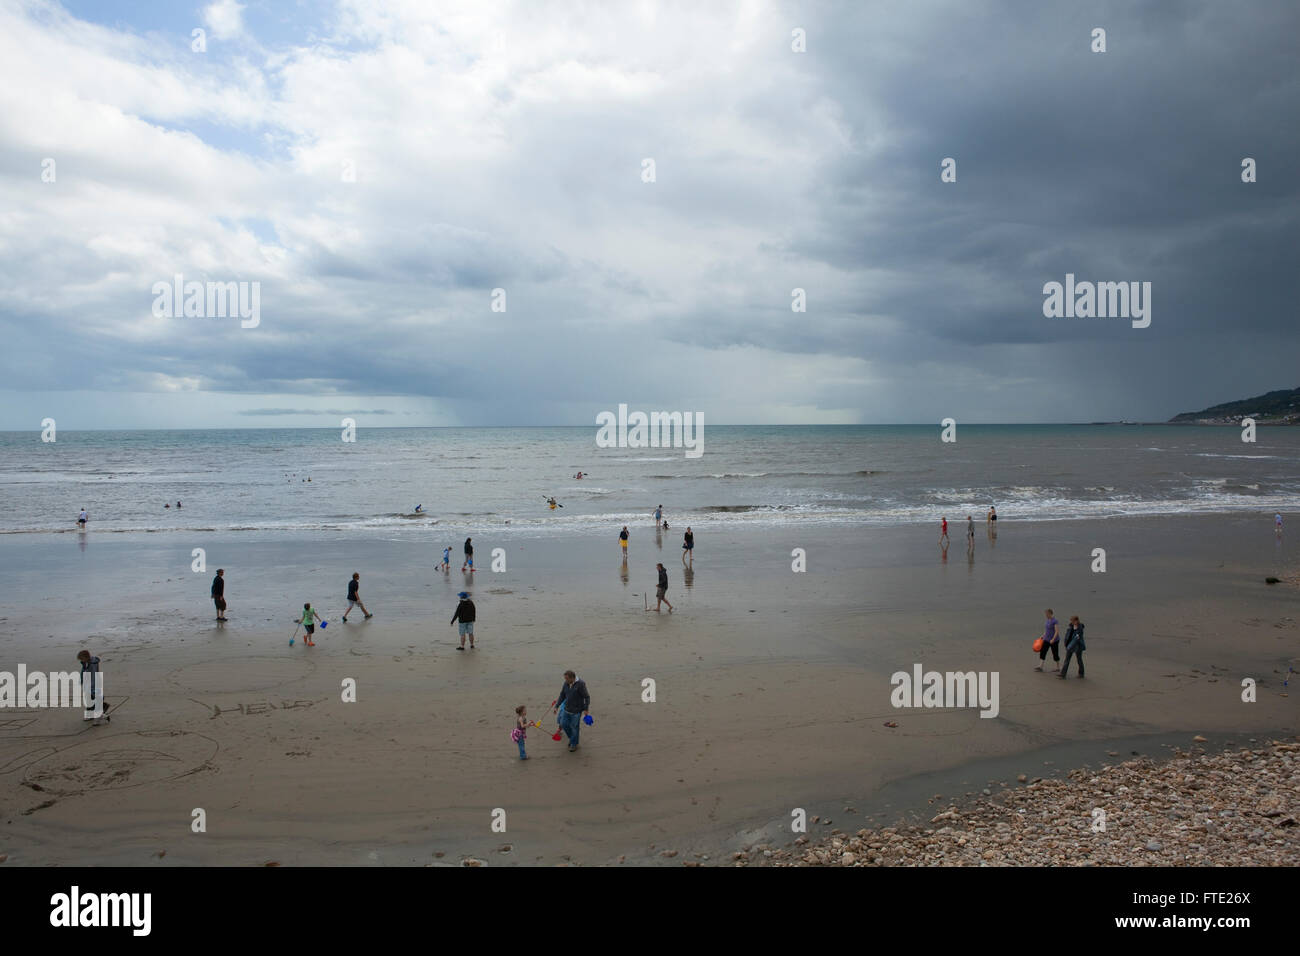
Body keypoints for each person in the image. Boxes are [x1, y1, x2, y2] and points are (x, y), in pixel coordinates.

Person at [552, 670, 590, 752]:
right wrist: (557, 706)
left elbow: (587, 697)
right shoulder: (566, 683)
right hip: (566, 709)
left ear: (572, 678)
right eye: (565, 679)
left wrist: (586, 709)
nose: (565, 680)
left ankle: (574, 744)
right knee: (563, 724)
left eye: (567, 679)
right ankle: (573, 739)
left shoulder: (581, 684)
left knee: (575, 728)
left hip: (576, 711)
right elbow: (562, 695)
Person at [77, 649, 109, 723]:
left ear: (86, 657)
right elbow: (83, 672)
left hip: (94, 685)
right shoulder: (85, 663)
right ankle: (90, 715)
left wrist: (92, 687)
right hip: (88, 685)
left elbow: (93, 677)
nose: (81, 660)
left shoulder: (92, 664)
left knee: (94, 700)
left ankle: (102, 715)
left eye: (81, 659)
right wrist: (81, 680)